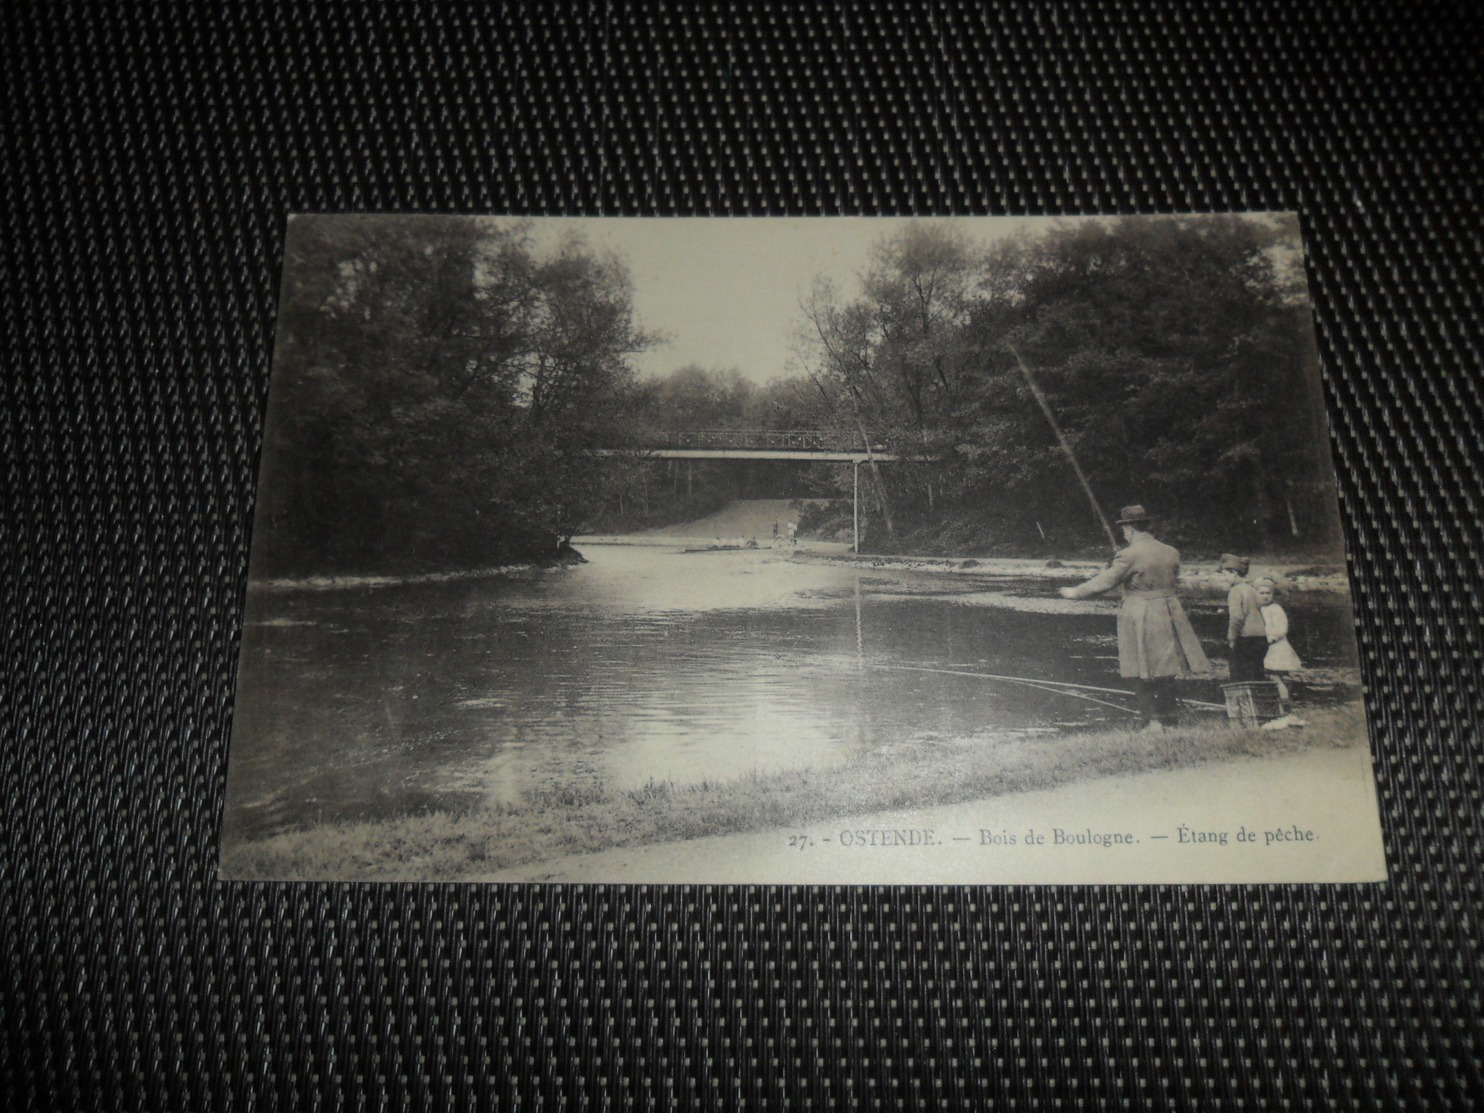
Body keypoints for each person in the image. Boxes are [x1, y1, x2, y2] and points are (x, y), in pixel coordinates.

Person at [1058, 505, 1210, 728]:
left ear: (1129, 528)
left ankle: (1148, 721)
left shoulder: (1128, 555)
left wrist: (1075, 592)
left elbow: (1106, 581)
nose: (1123, 533)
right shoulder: (1171, 551)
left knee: (1138, 667)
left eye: (1124, 528)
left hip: (1141, 613)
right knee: (1166, 668)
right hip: (1169, 611)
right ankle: (1169, 719)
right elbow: (1172, 577)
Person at [1220, 553, 1268, 682]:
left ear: (1234, 573)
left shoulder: (1235, 591)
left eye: (1224, 574)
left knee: (1239, 675)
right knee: (1257, 673)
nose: (1223, 578)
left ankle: (1242, 702)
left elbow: (1236, 618)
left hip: (1245, 638)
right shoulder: (1252, 589)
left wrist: (1231, 639)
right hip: (1261, 637)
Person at [1256, 578, 1302, 701]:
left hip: (1277, 647)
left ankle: (1284, 700)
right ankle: (1278, 699)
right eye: (1262, 593)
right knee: (1271, 676)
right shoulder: (1259, 609)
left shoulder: (1275, 609)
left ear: (1273, 595)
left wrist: (1271, 638)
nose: (1265, 596)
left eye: (1268, 593)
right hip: (1267, 646)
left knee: (1274, 675)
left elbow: (1282, 627)